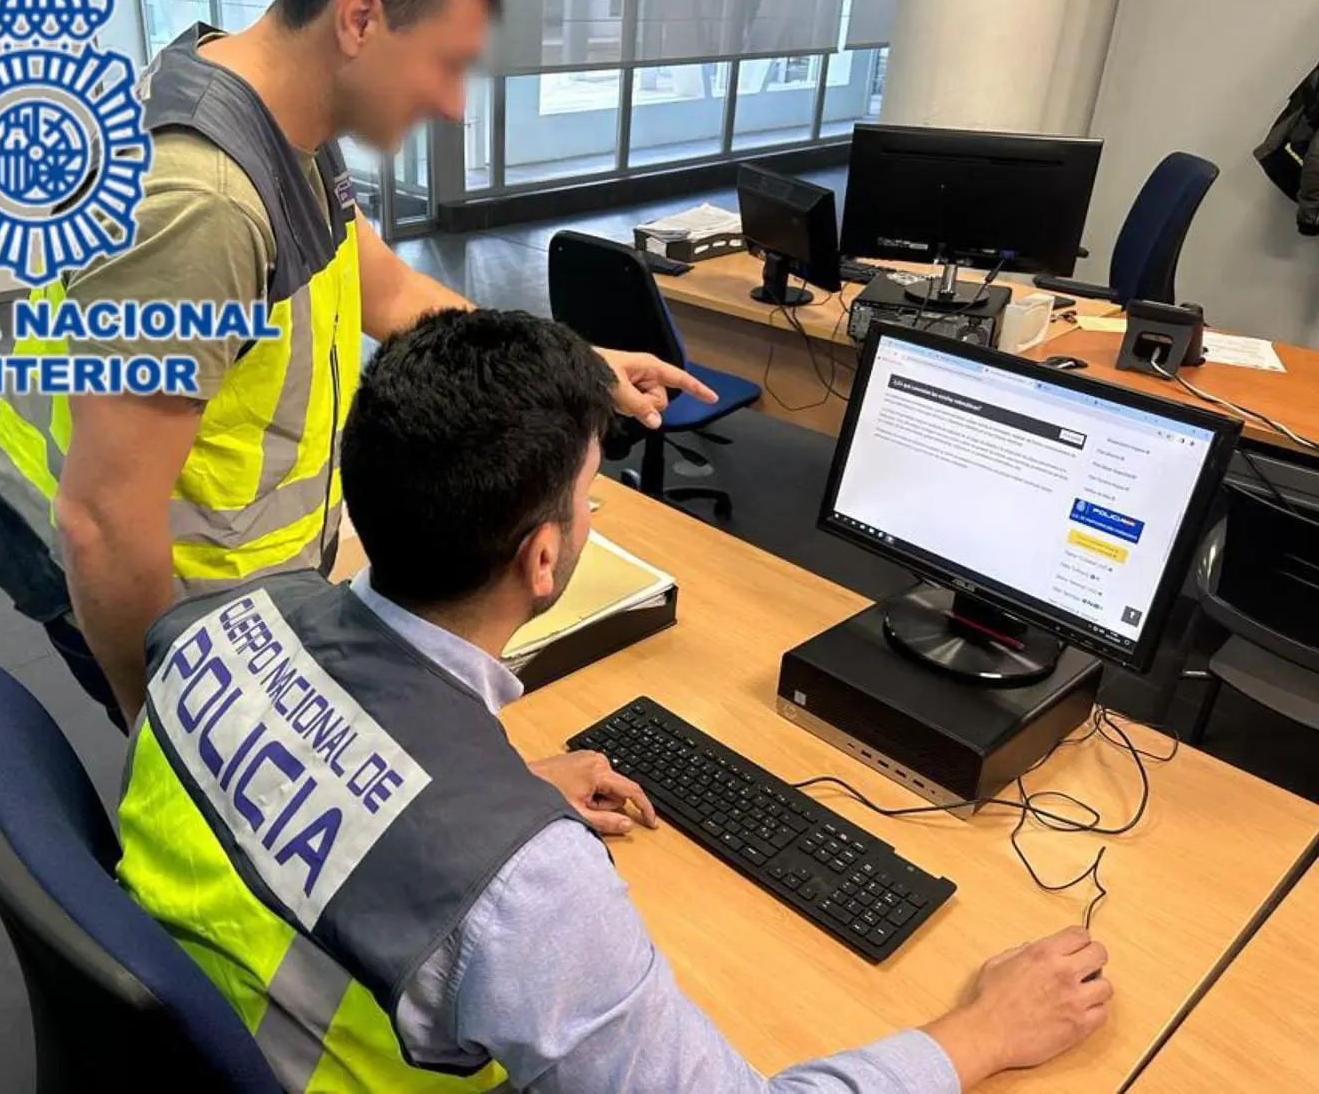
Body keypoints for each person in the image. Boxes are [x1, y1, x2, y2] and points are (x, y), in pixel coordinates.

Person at [116, 308, 1115, 1093]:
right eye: (589, 491)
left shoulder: (219, 620)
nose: (590, 509)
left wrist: (499, 787)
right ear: (543, 558)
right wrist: (979, 1033)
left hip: (207, 1036)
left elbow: (307, 765)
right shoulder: (528, 890)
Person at [0, 0, 711, 731]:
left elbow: (387, 292)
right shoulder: (206, 202)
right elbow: (102, 523)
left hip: (226, 575)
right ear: (359, 18)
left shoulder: (277, 121)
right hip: (156, 590)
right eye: (445, 64)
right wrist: (162, 729)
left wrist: (574, 366)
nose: (453, 104)